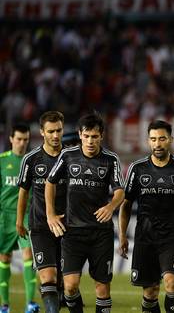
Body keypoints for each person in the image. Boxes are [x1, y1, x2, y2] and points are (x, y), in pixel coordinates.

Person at [118, 120, 174, 313]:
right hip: (145, 238)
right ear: (148, 141)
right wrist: (123, 235)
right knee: (150, 292)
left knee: (171, 283)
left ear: (170, 140)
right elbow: (126, 204)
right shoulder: (137, 168)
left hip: (171, 237)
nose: (157, 144)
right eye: (153, 139)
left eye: (161, 139)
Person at [45, 113, 125, 313]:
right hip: (73, 232)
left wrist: (110, 206)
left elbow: (120, 191)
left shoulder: (110, 159)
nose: (90, 141)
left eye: (95, 136)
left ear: (101, 136)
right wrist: (50, 214)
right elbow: (50, 182)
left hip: (101, 233)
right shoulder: (68, 155)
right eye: (87, 136)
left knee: (102, 287)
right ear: (80, 135)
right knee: (70, 286)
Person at [16, 111, 65, 313]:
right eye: (51, 131)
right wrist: (20, 221)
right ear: (42, 132)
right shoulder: (31, 159)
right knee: (48, 276)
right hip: (39, 226)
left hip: (68, 227)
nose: (55, 135)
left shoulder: (71, 157)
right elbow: (23, 193)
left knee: (65, 282)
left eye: (59, 131)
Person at [0, 124, 38, 313]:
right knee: (4, 258)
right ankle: (4, 305)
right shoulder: (2, 161)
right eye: (19, 139)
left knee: (28, 256)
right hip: (4, 217)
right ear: (11, 139)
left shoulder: (31, 161)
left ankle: (30, 303)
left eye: (25, 139)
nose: (22, 143)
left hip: (25, 215)